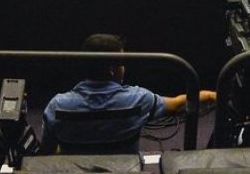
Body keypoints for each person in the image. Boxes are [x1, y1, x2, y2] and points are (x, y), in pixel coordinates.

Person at [40, 33, 216, 155]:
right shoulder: (138, 100)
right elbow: (177, 104)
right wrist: (211, 96)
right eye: (122, 63)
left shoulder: (56, 106)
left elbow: (46, 151)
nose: (124, 68)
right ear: (111, 70)